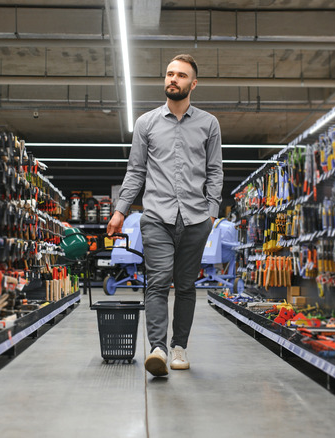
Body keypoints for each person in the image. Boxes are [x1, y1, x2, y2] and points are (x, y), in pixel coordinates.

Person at [107, 54, 223, 377]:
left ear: (193, 84)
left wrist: (212, 213)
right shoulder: (146, 123)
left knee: (185, 286)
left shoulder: (209, 124)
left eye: (181, 75)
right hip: (156, 216)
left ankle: (178, 347)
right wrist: (120, 212)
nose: (173, 79)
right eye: (170, 74)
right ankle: (157, 348)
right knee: (157, 281)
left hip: (196, 219)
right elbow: (135, 172)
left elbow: (215, 172)